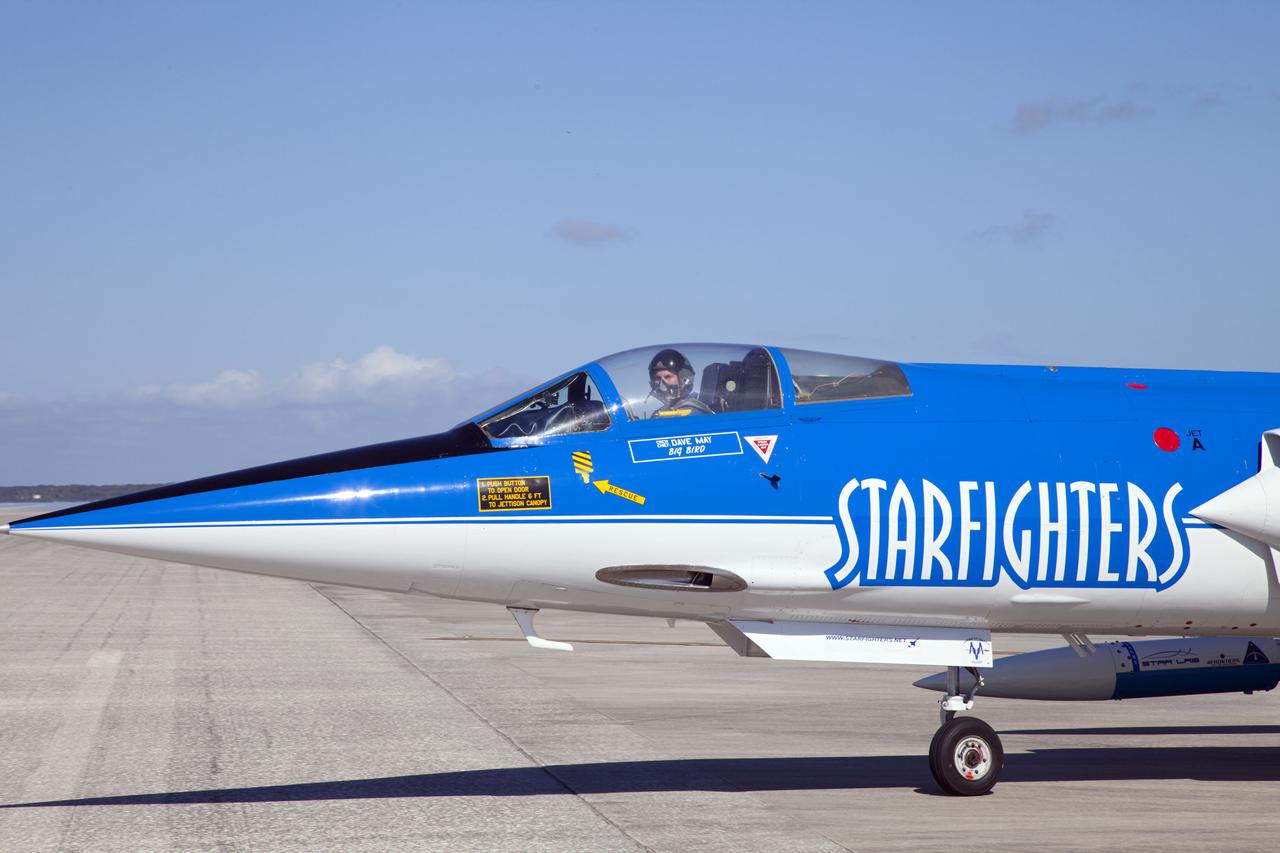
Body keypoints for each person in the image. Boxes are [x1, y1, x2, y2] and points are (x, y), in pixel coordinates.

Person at [647, 348, 713, 417]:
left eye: (668, 377)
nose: (662, 384)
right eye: (657, 378)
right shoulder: (660, 414)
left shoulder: (695, 412)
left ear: (683, 378)